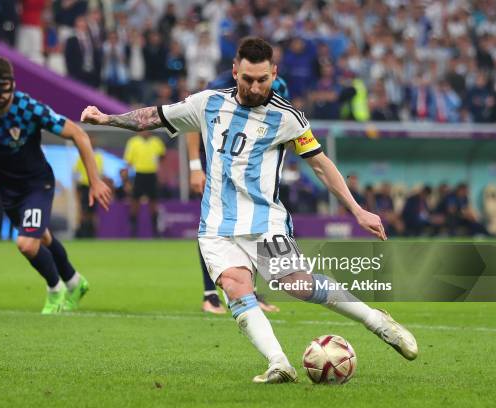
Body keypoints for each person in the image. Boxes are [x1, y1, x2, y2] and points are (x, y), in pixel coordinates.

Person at [81, 37, 417, 384]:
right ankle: (279, 363)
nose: (255, 87)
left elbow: (321, 165)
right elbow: (153, 116)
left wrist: (357, 210)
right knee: (235, 286)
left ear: (274, 73)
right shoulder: (208, 103)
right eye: (247, 79)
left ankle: (377, 321)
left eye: (262, 80)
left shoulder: (288, 118)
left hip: (264, 222)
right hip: (215, 224)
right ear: (234, 72)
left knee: (297, 285)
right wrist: (106, 119)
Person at [0, 56, 112, 314]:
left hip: (36, 185)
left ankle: (55, 290)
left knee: (26, 244)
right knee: (42, 237)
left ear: (13, 86)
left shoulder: (29, 108)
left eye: (4, 94)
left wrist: (95, 180)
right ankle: (75, 282)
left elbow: (78, 133)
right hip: (8, 191)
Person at [187, 65, 291, 314]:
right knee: (214, 224)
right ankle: (210, 294)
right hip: (215, 161)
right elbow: (192, 123)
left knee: (250, 223)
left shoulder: (279, 87)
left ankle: (249, 290)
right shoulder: (220, 89)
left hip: (243, 164)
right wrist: (194, 167)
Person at [123, 131, 165, 237]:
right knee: (135, 203)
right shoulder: (133, 142)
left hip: (152, 175)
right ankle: (133, 230)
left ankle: (155, 231)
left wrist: (160, 173)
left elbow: (162, 156)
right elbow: (128, 162)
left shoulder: (156, 142)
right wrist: (126, 180)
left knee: (153, 203)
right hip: (139, 174)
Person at [73, 149, 104, 237]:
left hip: (95, 186)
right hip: (85, 186)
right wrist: (78, 186)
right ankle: (82, 231)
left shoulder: (99, 156)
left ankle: (91, 232)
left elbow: (100, 172)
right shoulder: (81, 155)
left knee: (93, 211)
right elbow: (76, 172)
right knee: (83, 210)